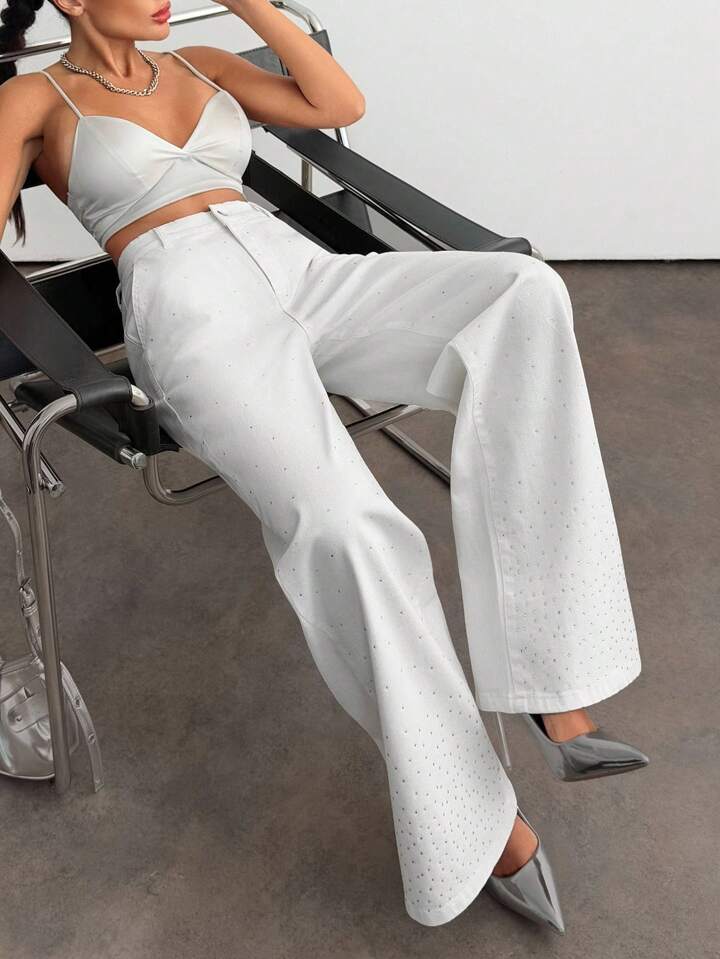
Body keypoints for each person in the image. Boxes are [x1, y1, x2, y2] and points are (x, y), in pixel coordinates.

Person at [0, 0, 649, 933]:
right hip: (189, 312)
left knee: (522, 293)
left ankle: (553, 685)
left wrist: (255, 5)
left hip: (303, 271)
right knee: (348, 528)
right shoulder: (33, 98)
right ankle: (478, 819)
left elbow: (339, 105)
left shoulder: (204, 61)